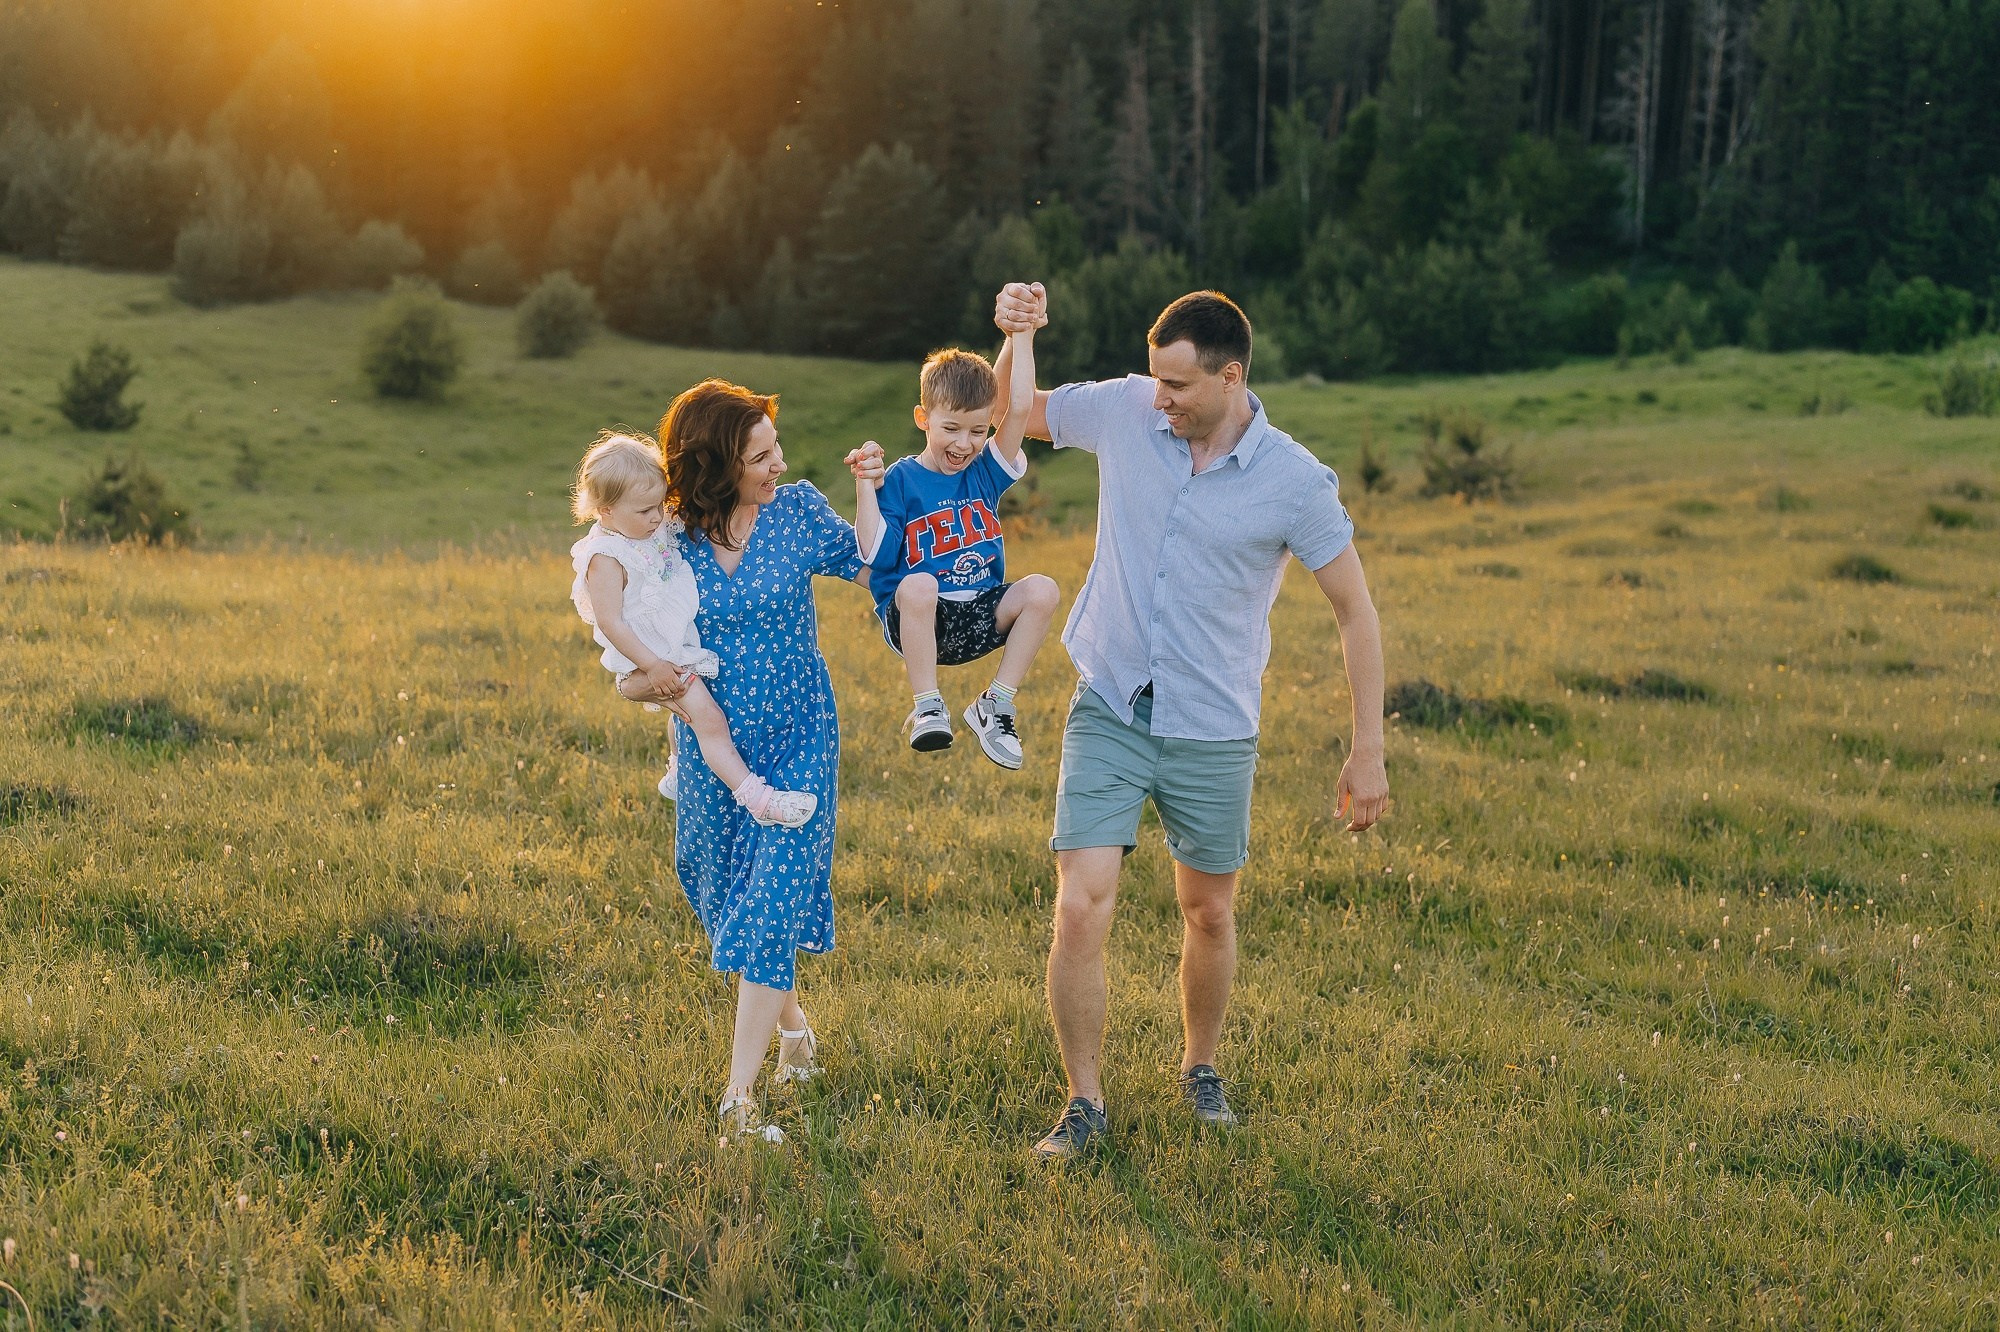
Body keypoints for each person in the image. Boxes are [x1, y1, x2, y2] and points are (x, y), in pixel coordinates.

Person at [990, 285, 1392, 1160]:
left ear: (1230, 376)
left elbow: (1355, 612)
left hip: (1213, 724)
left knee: (1207, 913)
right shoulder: (1130, 411)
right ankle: (1085, 1103)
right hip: (1112, 701)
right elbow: (1013, 412)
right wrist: (1016, 335)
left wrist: (1368, 751)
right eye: (1154, 378)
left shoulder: (1293, 480)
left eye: (1176, 384)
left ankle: (1199, 1067)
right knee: (1081, 907)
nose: (1159, 397)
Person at [620, 379, 880, 1143]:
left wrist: (948, 597)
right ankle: (792, 1030)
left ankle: (739, 1100)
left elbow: (873, 569)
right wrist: (660, 689)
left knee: (770, 903)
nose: (780, 464)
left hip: (802, 736)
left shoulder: (796, 511)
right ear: (715, 466)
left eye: (776, 449)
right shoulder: (665, 544)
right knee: (716, 894)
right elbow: (630, 669)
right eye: (760, 456)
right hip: (715, 754)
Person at [567, 430, 817, 829]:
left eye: (658, 505)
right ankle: (757, 798)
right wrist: (653, 666)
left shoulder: (647, 528)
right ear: (606, 510)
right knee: (709, 719)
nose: (656, 518)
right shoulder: (606, 557)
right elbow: (611, 622)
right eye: (644, 511)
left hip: (671, 647)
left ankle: (677, 769)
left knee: (684, 717)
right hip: (650, 657)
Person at [843, 320, 1061, 768]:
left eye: (978, 431)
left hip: (980, 617)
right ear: (923, 419)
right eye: (952, 429)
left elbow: (1019, 406)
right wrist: (866, 485)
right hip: (924, 621)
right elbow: (876, 555)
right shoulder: (901, 479)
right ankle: (927, 705)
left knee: (1044, 589)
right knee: (918, 584)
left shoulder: (983, 473)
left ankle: (995, 704)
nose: (965, 444)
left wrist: (1023, 336)